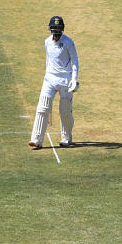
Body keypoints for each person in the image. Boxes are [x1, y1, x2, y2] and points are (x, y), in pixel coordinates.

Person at [29, 16, 80, 149]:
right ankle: (36, 138)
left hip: (65, 80)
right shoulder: (47, 42)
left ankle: (66, 137)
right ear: (50, 29)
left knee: (65, 111)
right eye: (54, 28)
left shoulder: (68, 42)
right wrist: (47, 75)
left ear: (62, 29)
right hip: (50, 79)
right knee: (42, 108)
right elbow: (48, 61)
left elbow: (75, 61)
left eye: (58, 28)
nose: (56, 31)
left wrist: (74, 79)